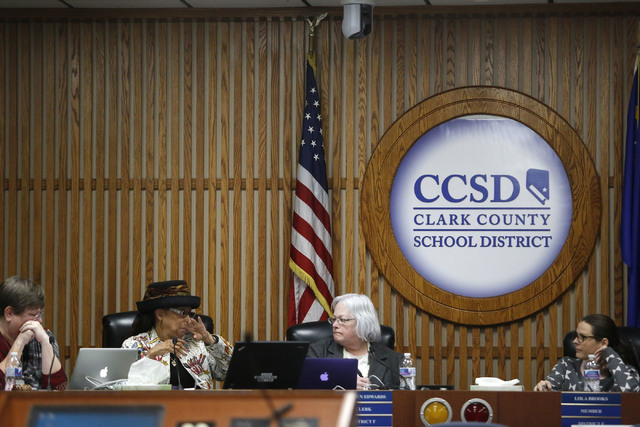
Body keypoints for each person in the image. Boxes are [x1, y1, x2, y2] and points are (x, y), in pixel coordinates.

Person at [122, 280, 233, 389]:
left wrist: (209, 339)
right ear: (160, 314)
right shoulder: (135, 344)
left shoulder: (197, 344)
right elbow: (124, 385)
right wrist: (151, 355)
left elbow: (228, 373)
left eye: (190, 314)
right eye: (182, 313)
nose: (188, 320)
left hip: (199, 401)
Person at [307, 293, 402, 390]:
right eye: (334, 319)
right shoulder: (317, 352)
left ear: (363, 322)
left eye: (342, 320)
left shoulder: (394, 360)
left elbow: (404, 393)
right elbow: (307, 385)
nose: (334, 325)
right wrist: (343, 383)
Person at [534, 314, 639, 392]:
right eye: (576, 335)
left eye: (582, 337)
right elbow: (549, 394)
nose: (575, 341)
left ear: (603, 343)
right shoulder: (566, 365)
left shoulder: (627, 372)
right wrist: (544, 388)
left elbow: (632, 396)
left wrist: (610, 354)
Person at [0, 276, 66, 390]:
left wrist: (45, 342)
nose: (39, 321)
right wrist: (19, 343)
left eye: (40, 315)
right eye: (34, 315)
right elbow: (3, 386)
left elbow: (58, 388)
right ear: (9, 313)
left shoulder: (43, 336)